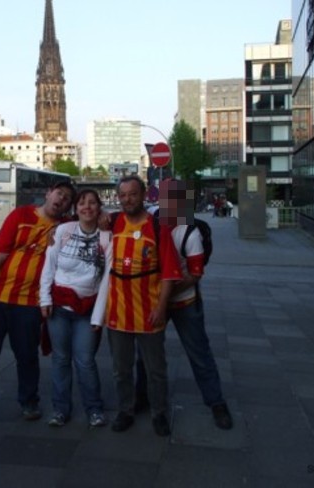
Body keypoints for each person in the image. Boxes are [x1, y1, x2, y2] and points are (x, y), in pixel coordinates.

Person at [0, 180, 76, 432]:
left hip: (30, 303)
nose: (61, 200)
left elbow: (93, 218)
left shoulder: (66, 227)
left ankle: (29, 402)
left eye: (67, 198)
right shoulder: (21, 216)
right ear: (48, 193)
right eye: (59, 193)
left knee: (26, 357)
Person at [92, 175, 182, 437]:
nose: (127, 199)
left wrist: (162, 307)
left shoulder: (158, 227)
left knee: (156, 370)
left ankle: (159, 413)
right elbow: (82, 221)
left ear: (143, 194)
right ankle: (126, 410)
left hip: (149, 312)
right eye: (123, 195)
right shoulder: (113, 222)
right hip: (118, 313)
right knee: (121, 369)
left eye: (132, 194)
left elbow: (169, 273)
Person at [158, 178, 233, 430]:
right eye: (167, 198)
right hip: (156, 300)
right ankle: (143, 397)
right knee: (147, 354)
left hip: (184, 300)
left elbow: (195, 274)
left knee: (199, 352)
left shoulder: (191, 231)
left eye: (177, 199)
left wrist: (166, 293)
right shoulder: (152, 222)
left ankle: (216, 402)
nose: (171, 204)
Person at [40, 188, 110, 428]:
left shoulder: (106, 237)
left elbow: (107, 280)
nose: (87, 207)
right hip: (59, 308)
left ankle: (94, 409)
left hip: (88, 308)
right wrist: (44, 300)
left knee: (85, 360)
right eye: (81, 203)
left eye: (92, 203)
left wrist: (98, 317)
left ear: (99, 207)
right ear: (75, 209)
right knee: (60, 359)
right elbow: (48, 267)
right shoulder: (63, 231)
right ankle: (60, 410)